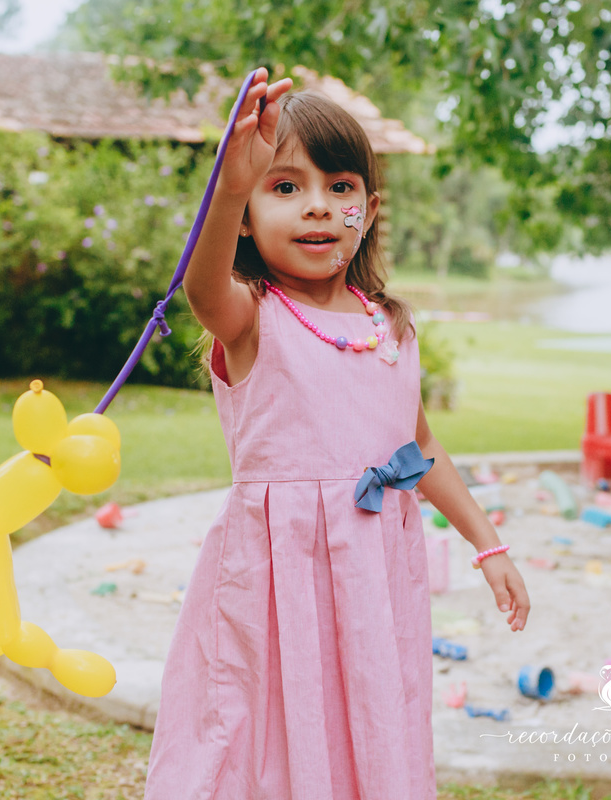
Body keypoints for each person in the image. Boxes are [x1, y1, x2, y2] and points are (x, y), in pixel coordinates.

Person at [144, 68, 531, 800]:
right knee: (265, 730)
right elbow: (201, 290)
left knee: (373, 718)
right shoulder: (252, 317)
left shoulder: (390, 329)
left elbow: (420, 450)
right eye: (285, 187)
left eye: (341, 187)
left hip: (374, 579)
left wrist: (489, 545)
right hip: (276, 581)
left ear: (369, 209)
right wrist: (229, 186)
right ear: (248, 216)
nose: (318, 206)